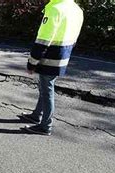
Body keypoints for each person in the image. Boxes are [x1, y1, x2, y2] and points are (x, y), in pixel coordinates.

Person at [20, 0, 84, 136]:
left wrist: (32, 62)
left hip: (50, 56)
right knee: (45, 86)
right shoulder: (77, 9)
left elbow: (44, 39)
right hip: (63, 54)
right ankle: (36, 115)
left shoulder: (55, 9)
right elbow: (74, 38)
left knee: (47, 89)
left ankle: (45, 125)